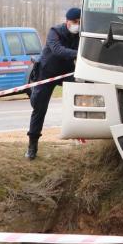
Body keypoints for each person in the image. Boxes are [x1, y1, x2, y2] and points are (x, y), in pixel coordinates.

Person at [25, 8, 80, 159]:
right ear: (67, 21)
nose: (78, 25)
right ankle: (32, 145)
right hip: (46, 73)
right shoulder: (54, 31)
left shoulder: (81, 35)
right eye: (75, 22)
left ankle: (80, 134)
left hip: (67, 73)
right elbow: (58, 50)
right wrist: (78, 53)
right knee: (39, 108)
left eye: (80, 23)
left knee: (83, 93)